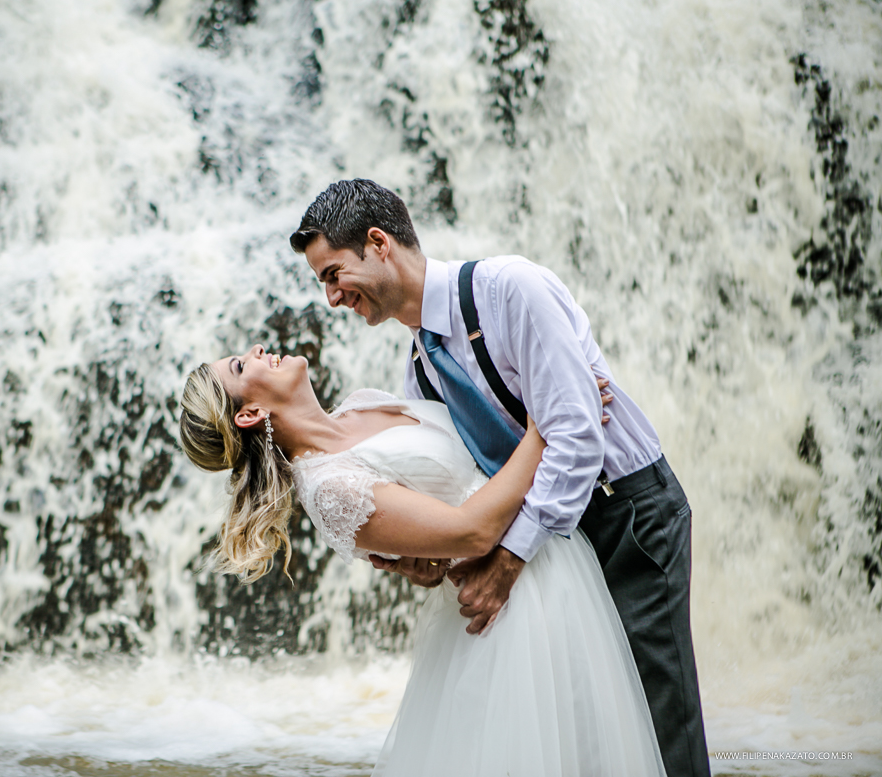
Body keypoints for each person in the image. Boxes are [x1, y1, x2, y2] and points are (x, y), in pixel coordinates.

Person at [289, 178, 709, 777]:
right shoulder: (421, 373)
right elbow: (474, 481)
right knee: (595, 735)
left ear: (378, 243)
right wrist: (419, 557)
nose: (332, 297)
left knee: (661, 723)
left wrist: (509, 561)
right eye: (323, 283)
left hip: (626, 518)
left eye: (333, 274)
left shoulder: (510, 289)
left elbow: (576, 433)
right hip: (559, 548)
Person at [178, 346, 666, 775]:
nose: (257, 349)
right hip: (515, 612)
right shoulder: (329, 488)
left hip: (554, 570)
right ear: (249, 414)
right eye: (240, 365)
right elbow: (472, 531)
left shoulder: (360, 404)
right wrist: (549, 425)